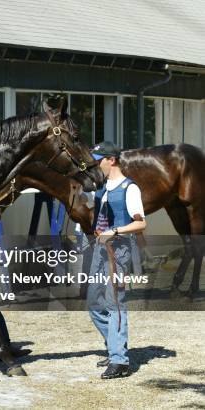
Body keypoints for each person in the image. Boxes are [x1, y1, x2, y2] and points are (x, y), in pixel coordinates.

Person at [88, 141, 146, 379]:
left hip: (119, 250)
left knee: (115, 305)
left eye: (99, 159)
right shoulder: (101, 188)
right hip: (100, 249)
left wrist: (116, 232)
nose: (96, 164)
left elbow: (141, 222)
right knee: (94, 304)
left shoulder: (130, 188)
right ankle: (114, 346)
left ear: (111, 160)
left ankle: (119, 361)